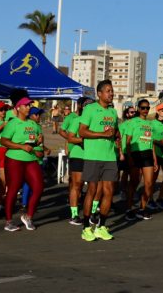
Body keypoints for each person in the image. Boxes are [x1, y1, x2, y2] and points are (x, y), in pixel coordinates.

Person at [78, 80, 118, 242]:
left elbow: (115, 133)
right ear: (99, 94)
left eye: (112, 91)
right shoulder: (90, 109)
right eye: (108, 91)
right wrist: (102, 134)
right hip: (93, 156)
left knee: (109, 191)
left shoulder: (113, 112)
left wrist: (114, 134)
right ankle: (86, 227)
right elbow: (82, 132)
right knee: (92, 191)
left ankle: (101, 226)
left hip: (109, 157)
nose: (111, 93)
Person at [0, 97, 44, 231]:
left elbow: (35, 143)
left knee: (39, 187)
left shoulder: (33, 124)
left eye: (29, 105)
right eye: (26, 105)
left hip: (30, 160)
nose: (29, 107)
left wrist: (38, 142)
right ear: (18, 108)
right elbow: (3, 141)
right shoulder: (13, 123)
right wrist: (21, 147)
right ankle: (8, 222)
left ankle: (28, 216)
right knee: (13, 190)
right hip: (14, 159)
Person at [61, 96, 93, 225]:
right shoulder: (76, 120)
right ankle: (74, 215)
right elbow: (70, 138)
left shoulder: (96, 121)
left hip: (93, 156)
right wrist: (83, 140)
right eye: (87, 105)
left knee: (93, 186)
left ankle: (92, 213)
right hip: (78, 155)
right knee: (77, 185)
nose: (89, 108)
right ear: (81, 107)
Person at [124, 99, 157, 221]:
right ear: (138, 109)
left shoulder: (150, 124)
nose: (145, 110)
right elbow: (127, 142)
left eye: (147, 108)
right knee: (134, 183)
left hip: (148, 155)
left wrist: (155, 160)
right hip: (136, 154)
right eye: (143, 108)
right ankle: (129, 208)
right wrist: (129, 157)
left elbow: (151, 142)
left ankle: (142, 209)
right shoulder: (133, 122)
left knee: (148, 184)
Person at [21, 106, 48, 213]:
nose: (39, 116)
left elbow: (39, 142)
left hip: (39, 157)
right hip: (31, 157)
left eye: (39, 114)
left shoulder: (38, 126)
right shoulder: (28, 125)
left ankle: (31, 203)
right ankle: (24, 204)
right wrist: (36, 151)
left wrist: (45, 149)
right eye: (37, 114)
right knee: (29, 182)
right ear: (30, 115)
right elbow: (27, 143)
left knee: (36, 183)